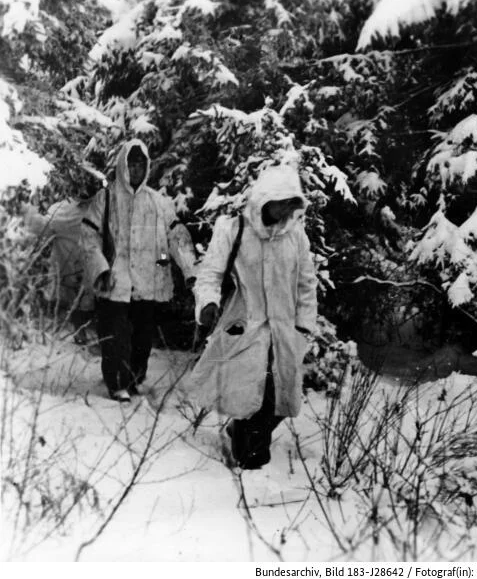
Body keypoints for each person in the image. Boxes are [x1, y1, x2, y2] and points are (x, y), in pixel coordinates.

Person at [193, 164, 317, 470]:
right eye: (282, 201)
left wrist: (303, 326)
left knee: (278, 400)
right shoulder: (233, 229)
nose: (287, 209)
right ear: (264, 198)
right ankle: (251, 461)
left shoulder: (296, 237)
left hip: (285, 330)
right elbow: (209, 274)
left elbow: (306, 284)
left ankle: (243, 440)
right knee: (252, 396)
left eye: (292, 203)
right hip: (247, 326)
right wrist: (208, 303)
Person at [81, 139, 196, 402]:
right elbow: (88, 237)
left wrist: (188, 270)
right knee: (115, 338)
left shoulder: (158, 203)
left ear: (147, 167)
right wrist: (101, 269)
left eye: (140, 165)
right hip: (115, 282)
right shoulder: (106, 198)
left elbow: (176, 237)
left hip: (147, 282)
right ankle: (117, 384)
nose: (135, 170)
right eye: (131, 165)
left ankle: (134, 381)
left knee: (142, 340)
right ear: (123, 165)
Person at [23, 188, 99, 346]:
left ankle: (88, 334)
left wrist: (32, 208)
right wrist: (32, 209)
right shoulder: (63, 210)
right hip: (75, 265)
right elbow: (41, 227)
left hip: (90, 263)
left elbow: (40, 227)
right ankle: (82, 334)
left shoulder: (99, 205)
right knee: (80, 300)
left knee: (84, 300)